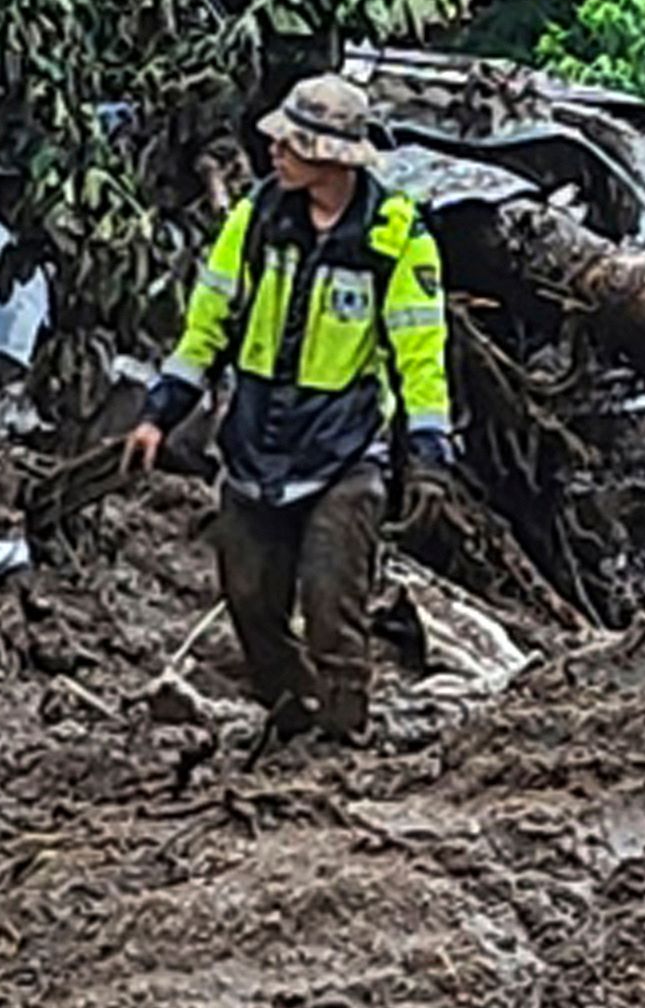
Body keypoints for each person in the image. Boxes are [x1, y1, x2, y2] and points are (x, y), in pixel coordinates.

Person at [128, 73, 457, 748]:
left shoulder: (396, 237)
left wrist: (428, 458)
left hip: (344, 451)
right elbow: (206, 329)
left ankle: (341, 747)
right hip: (253, 444)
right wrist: (159, 412)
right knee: (249, 600)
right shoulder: (253, 220)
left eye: (291, 143)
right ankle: (293, 713)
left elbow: (420, 357)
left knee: (333, 607)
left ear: (333, 156)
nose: (274, 152)